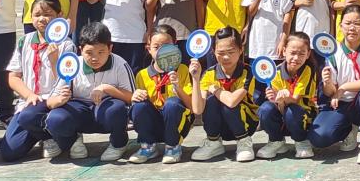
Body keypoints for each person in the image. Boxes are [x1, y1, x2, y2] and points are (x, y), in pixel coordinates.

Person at [0, 0, 76, 162]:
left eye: (48, 14)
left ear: (59, 15)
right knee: (9, 151)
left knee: (31, 116)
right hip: (30, 101)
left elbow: (67, 81)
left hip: (55, 100)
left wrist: (54, 61)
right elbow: (13, 77)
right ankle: (41, 133)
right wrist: (29, 95)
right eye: (37, 15)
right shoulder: (24, 41)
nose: (42, 19)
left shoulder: (66, 44)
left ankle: (52, 136)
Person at [44, 21, 134, 163]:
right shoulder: (72, 65)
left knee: (116, 109)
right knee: (55, 119)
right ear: (80, 49)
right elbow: (50, 102)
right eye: (89, 53)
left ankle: (118, 143)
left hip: (105, 111)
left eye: (101, 52)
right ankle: (74, 141)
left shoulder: (120, 64)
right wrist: (60, 100)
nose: (95, 58)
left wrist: (107, 88)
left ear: (110, 48)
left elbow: (131, 97)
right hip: (80, 111)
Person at [310, 6, 360, 165]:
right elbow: (330, 93)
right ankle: (348, 129)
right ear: (340, 25)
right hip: (341, 105)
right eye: (348, 23)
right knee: (319, 138)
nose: (352, 28)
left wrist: (344, 88)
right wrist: (328, 83)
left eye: (357, 23)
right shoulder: (333, 52)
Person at [189, 27, 259, 163]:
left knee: (228, 103)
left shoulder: (248, 72)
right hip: (220, 127)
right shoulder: (209, 73)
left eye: (231, 52)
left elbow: (232, 102)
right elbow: (198, 110)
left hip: (245, 124)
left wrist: (215, 89)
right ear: (213, 52)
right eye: (220, 53)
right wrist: (196, 79)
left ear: (240, 50)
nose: (226, 57)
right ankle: (213, 142)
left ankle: (244, 142)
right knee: (211, 101)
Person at [129, 25, 194, 164]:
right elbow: (140, 110)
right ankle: (148, 146)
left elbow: (191, 106)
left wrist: (178, 87)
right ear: (149, 49)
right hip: (155, 124)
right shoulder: (142, 75)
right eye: (156, 47)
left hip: (176, 124)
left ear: (175, 46)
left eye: (166, 46)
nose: (161, 51)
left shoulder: (182, 70)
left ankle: (173, 147)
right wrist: (135, 98)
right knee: (138, 106)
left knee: (172, 103)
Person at [257, 31, 318, 160]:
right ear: (284, 51)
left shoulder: (308, 71)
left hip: (302, 116)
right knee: (265, 109)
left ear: (308, 54)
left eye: (301, 54)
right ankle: (276, 141)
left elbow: (295, 100)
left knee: (292, 110)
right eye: (292, 53)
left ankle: (301, 140)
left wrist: (284, 98)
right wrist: (274, 98)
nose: (296, 58)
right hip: (282, 112)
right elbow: (278, 105)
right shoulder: (274, 72)